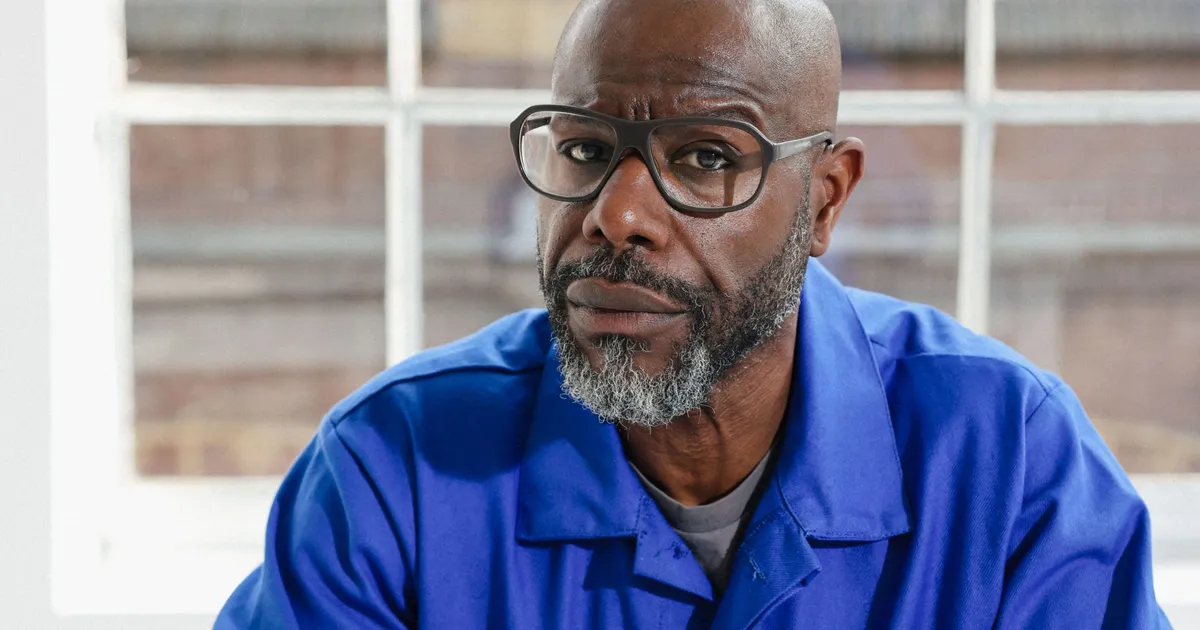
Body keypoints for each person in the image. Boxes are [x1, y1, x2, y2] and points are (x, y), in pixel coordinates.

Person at [216, 0, 1172, 627]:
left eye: (706, 158)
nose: (615, 216)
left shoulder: (1013, 464)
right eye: (586, 149)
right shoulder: (393, 470)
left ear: (825, 201)